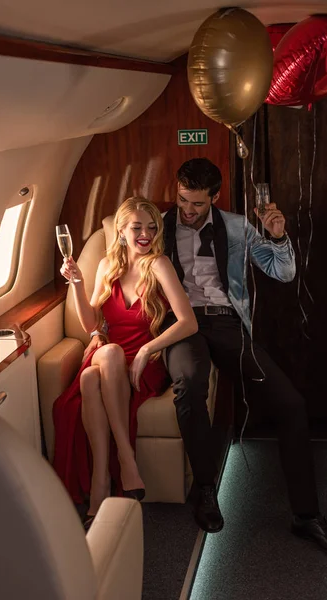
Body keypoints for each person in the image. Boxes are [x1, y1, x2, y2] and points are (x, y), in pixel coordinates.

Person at [86, 159, 327, 556]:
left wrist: (278, 238)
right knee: (189, 388)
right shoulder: (156, 225)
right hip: (179, 328)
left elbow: (283, 273)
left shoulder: (235, 225)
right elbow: (122, 249)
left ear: (214, 197)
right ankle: (207, 491)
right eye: (182, 200)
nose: (188, 211)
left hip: (226, 322)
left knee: (291, 403)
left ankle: (307, 516)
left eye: (197, 203)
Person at [53, 197, 198, 531]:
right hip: (109, 354)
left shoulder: (159, 264)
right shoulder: (106, 266)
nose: (145, 234)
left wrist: (149, 349)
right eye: (136, 227)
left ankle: (102, 485)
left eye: (151, 227)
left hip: (142, 362)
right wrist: (76, 282)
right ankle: (124, 461)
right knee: (106, 357)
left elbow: (189, 322)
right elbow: (92, 326)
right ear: (120, 230)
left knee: (92, 378)